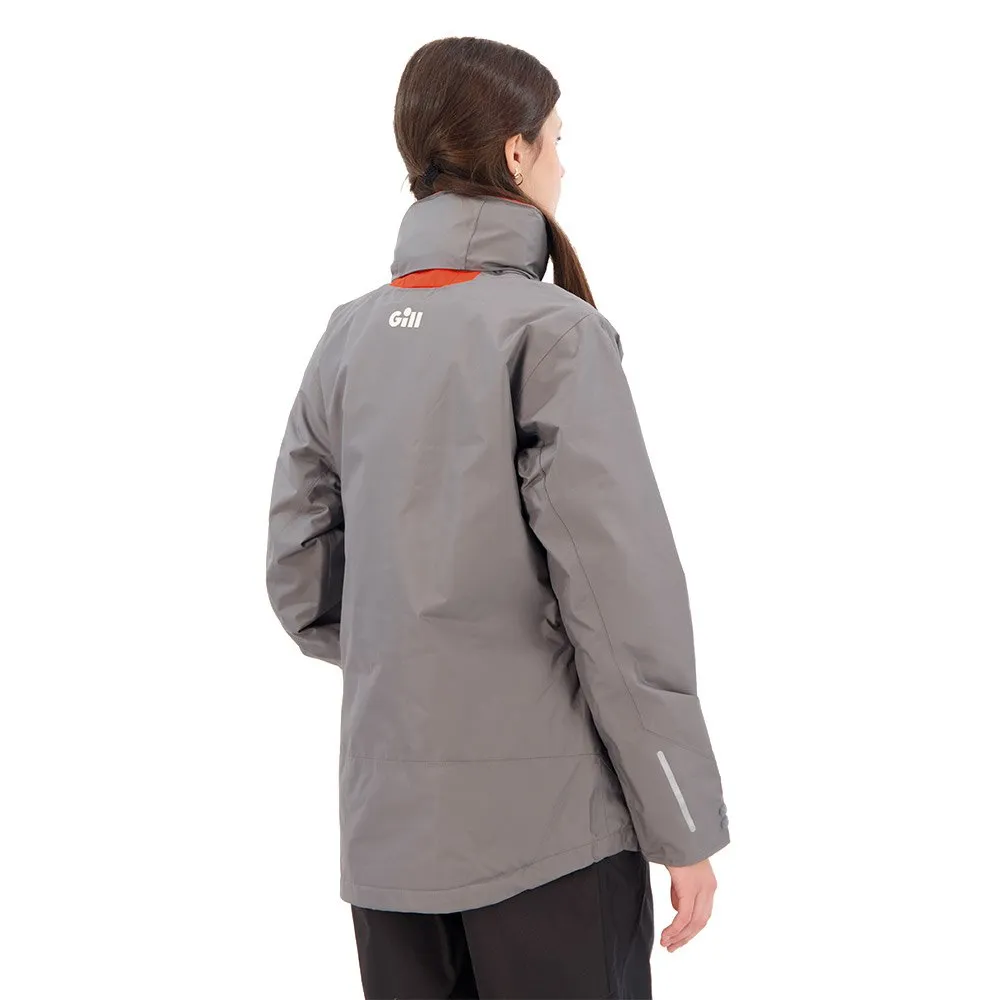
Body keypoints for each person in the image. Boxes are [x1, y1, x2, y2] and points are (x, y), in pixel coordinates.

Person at [265, 34, 731, 1000]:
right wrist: (682, 822)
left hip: (387, 837)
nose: (564, 163)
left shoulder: (347, 336)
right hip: (548, 840)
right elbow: (619, 600)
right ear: (516, 154)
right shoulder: (554, 334)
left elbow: (299, 575)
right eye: (557, 139)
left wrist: (418, 655)